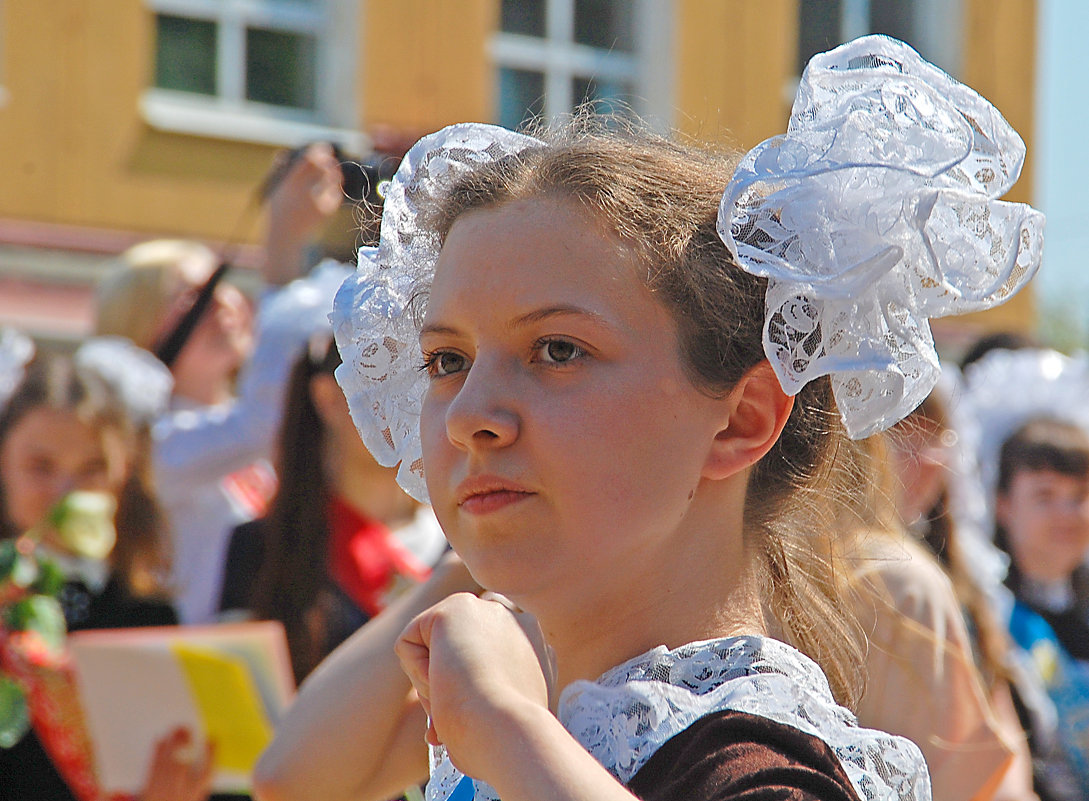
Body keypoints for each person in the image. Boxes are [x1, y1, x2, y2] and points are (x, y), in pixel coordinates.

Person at [256, 35, 1043, 801]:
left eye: (557, 349)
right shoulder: (546, 706)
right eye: (446, 361)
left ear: (740, 420)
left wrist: (505, 726)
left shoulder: (755, 763)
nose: (468, 417)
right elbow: (289, 777)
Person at [94, 143, 348, 623]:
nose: (223, 303)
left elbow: (270, 406)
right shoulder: (154, 445)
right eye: (193, 295)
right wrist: (282, 238)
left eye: (220, 284)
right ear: (139, 325)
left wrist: (286, 240)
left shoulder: (229, 428)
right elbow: (266, 419)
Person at [0, 344, 212, 801]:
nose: (65, 491)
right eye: (41, 467)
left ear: (124, 474)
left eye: (92, 469)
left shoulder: (147, 611)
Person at [218, 327, 447, 683]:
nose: (408, 406)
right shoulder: (262, 546)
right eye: (384, 383)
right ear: (328, 398)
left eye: (422, 381)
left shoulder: (461, 543)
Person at [961, 348, 1089, 801]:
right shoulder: (983, 620)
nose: (1067, 514)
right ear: (1001, 505)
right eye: (1045, 495)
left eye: (1079, 496)